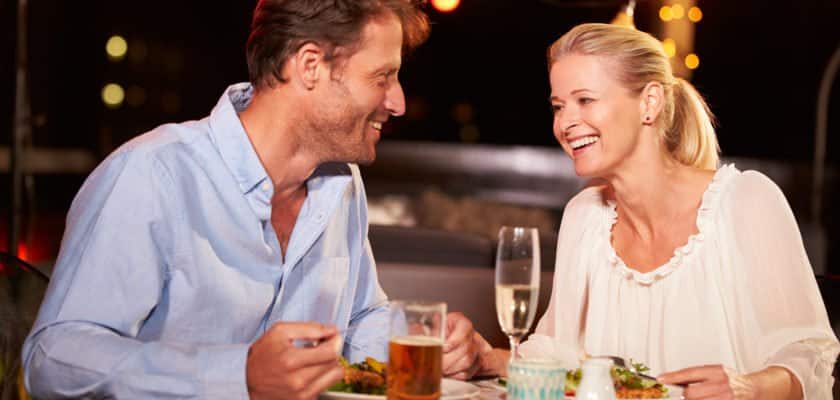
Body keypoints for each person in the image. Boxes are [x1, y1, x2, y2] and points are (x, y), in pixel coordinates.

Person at [21, 1, 482, 398]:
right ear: (309, 66)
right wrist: (238, 376)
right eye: (383, 77)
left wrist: (420, 342)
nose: (398, 102)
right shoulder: (153, 174)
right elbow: (54, 358)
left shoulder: (343, 184)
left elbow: (355, 324)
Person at [471, 23, 840, 399]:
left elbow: (810, 356)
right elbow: (556, 353)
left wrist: (749, 388)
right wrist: (484, 359)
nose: (565, 123)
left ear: (649, 102)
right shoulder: (584, 215)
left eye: (585, 100)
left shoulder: (745, 201)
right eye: (558, 106)